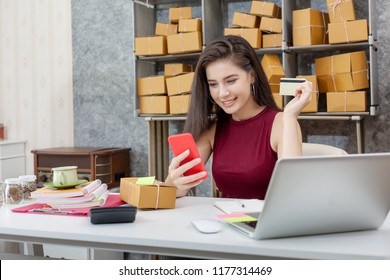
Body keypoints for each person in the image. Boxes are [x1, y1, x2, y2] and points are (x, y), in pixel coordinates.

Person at [165, 35, 312, 199]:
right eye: (213, 84)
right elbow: (178, 190)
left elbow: (293, 191)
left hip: (267, 223)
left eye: (231, 81)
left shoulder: (281, 123)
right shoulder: (213, 129)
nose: (222, 93)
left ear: (252, 76)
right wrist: (173, 181)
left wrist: (290, 116)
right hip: (224, 222)